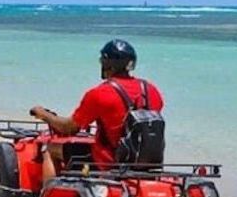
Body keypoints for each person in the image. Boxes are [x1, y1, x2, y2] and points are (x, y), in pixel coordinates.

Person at [30, 39, 164, 182]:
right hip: (146, 163)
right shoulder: (151, 90)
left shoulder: (100, 93)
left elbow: (68, 128)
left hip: (109, 161)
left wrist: (44, 114)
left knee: (50, 149)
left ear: (107, 64)